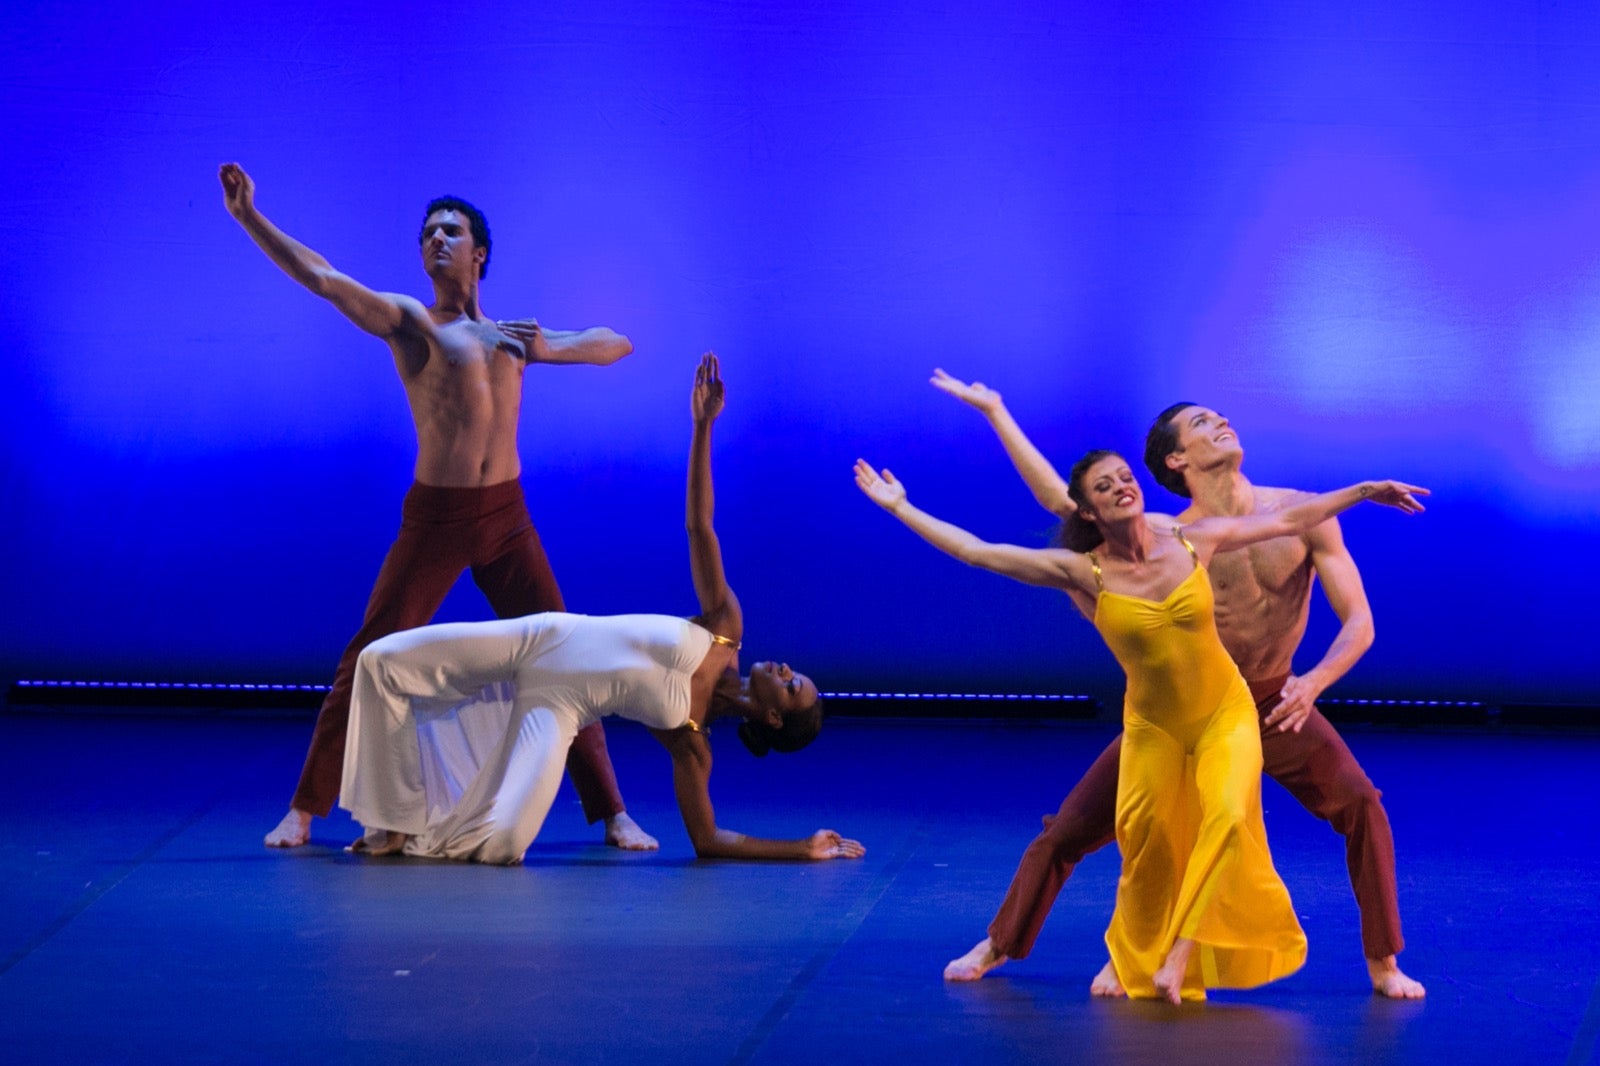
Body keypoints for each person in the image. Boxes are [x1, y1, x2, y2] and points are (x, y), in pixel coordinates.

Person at [855, 448, 1425, 1002]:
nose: (1121, 487)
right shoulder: (1091, 567)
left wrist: (1365, 492)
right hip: (1157, 723)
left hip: (1263, 704)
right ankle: (1010, 944)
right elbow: (983, 547)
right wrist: (907, 500)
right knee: (1088, 831)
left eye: (1124, 477)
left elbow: (1295, 523)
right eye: (1105, 487)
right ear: (1176, 458)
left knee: (1338, 805)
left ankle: (1378, 959)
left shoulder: (1199, 536)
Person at [218, 163, 655, 851]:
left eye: (450, 231)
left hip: (507, 520)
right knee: (366, 656)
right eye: (427, 234)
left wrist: (542, 345)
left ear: (478, 251)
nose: (436, 240)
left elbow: (614, 346)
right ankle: (305, 809)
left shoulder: (511, 338)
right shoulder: (414, 324)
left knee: (567, 655)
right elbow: (325, 279)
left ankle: (613, 812)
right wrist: (250, 219)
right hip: (437, 520)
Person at [340, 353, 865, 865]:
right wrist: (703, 427)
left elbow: (708, 840)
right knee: (380, 661)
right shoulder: (725, 630)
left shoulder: (691, 742)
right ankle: (393, 819)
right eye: (798, 674)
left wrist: (799, 847)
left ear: (773, 716)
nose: (787, 670)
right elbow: (700, 527)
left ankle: (417, 830)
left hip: (556, 709)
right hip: (541, 638)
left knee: (502, 845)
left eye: (793, 686)